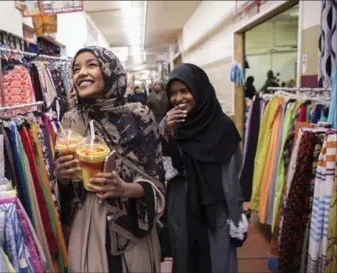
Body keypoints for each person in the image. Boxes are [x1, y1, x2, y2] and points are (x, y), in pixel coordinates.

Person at [56, 46, 165, 273]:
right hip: (88, 223)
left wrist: (124, 188)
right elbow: (67, 194)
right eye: (76, 69)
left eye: (91, 65)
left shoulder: (139, 117)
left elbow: (157, 181)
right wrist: (62, 177)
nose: (81, 73)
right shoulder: (71, 121)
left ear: (110, 70)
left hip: (132, 223)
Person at [160, 63, 246, 273]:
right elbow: (158, 166)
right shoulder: (172, 125)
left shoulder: (223, 127)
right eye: (173, 93)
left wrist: (236, 215)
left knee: (216, 262)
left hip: (215, 211)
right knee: (185, 261)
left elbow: (231, 177)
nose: (178, 98)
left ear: (199, 89)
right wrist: (164, 131)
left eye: (185, 91)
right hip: (181, 208)